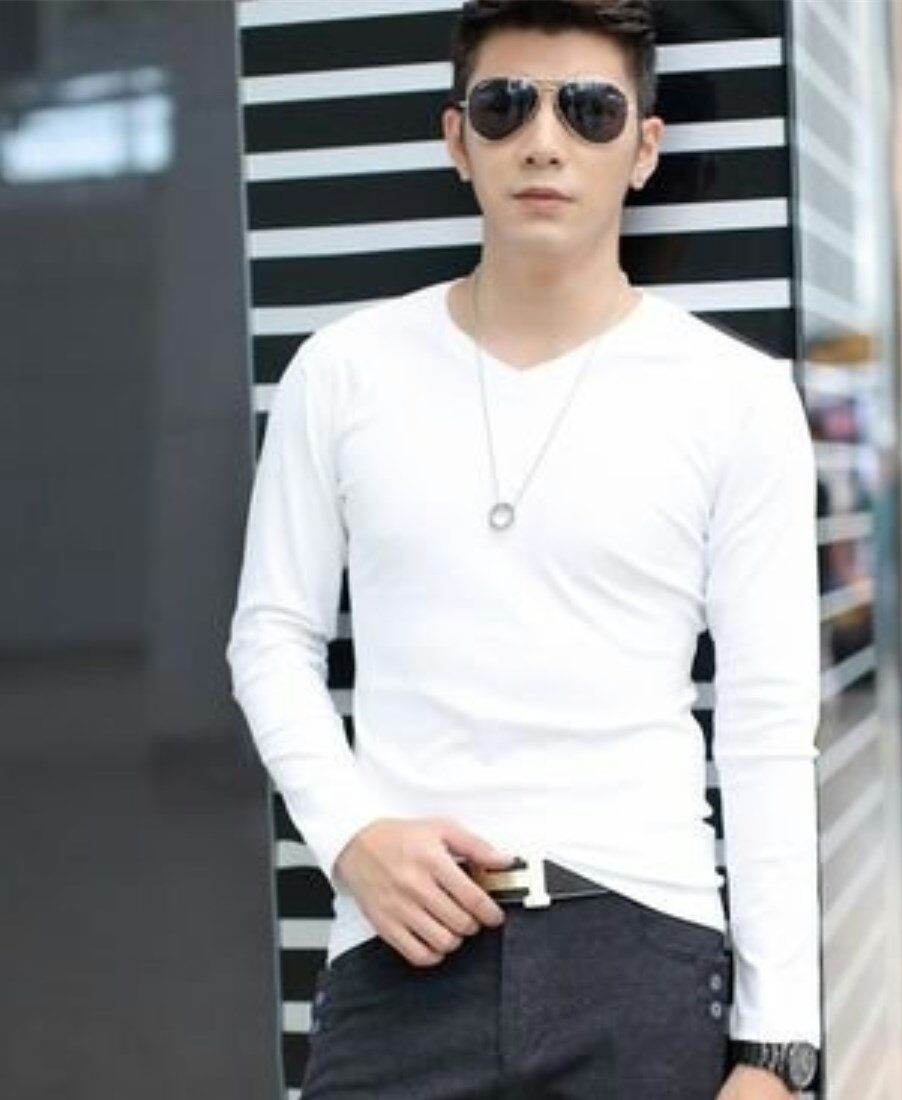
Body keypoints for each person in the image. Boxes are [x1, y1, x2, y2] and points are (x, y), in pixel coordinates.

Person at [225, 1, 822, 1096]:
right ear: (458, 139)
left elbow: (768, 724)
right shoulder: (344, 370)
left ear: (644, 148)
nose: (544, 141)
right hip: (400, 951)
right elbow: (269, 636)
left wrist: (777, 1049)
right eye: (506, 106)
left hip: (642, 946)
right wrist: (350, 835)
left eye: (590, 110)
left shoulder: (735, 398)